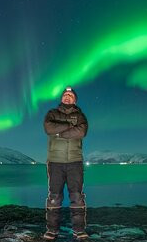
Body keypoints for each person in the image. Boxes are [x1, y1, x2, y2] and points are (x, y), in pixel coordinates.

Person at [43, 86, 89, 241]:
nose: (67, 97)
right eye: (65, 95)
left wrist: (59, 132)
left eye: (70, 95)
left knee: (77, 196)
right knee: (54, 197)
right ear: (62, 98)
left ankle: (79, 230)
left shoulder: (80, 115)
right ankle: (52, 230)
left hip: (75, 162)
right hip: (55, 162)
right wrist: (70, 126)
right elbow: (49, 128)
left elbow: (81, 131)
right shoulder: (52, 113)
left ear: (74, 99)